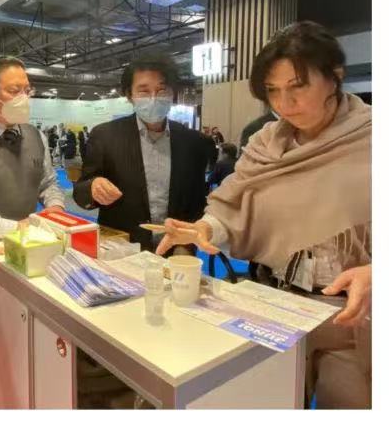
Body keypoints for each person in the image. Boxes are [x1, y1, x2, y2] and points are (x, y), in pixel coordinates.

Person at [158, 22, 371, 408]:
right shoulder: (265, 142)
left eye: (297, 86)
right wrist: (204, 227)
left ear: (335, 77)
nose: (284, 103)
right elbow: (235, 203)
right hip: (277, 302)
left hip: (355, 318)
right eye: (272, 90)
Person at [72, 53, 215, 251]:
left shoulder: (193, 142)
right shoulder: (105, 136)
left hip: (175, 251)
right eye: (144, 91)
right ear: (130, 95)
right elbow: (80, 192)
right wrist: (93, 187)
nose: (153, 98)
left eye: (161, 90)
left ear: (172, 93)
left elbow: (196, 203)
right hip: (122, 249)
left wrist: (186, 247)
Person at [0, 57, 66, 239]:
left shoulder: (36, 136)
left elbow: (48, 183)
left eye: (27, 91)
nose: (24, 98)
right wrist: (16, 227)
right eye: (14, 91)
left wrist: (55, 207)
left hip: (29, 241)